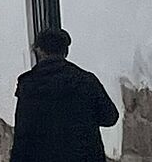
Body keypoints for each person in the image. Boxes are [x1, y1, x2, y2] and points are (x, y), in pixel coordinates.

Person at [10, 28, 119, 162]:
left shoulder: (28, 84)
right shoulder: (85, 80)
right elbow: (110, 117)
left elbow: (22, 133)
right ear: (65, 51)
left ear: (39, 51)